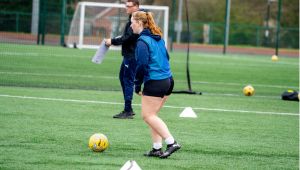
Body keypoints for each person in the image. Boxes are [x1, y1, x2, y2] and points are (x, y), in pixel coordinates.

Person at [130, 11, 181, 159]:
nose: (130, 25)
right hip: (168, 80)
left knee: (148, 115)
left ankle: (172, 143)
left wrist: (137, 84)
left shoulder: (142, 41)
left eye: (132, 21)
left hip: (156, 82)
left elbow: (142, 65)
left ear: (139, 23)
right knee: (153, 115)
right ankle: (156, 148)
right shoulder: (158, 38)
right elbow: (167, 57)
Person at [105, 0, 140, 119]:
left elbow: (129, 38)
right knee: (122, 77)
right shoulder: (132, 17)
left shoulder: (137, 19)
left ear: (136, 7)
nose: (127, 8)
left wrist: (112, 41)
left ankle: (128, 109)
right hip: (128, 54)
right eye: (126, 6)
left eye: (129, 6)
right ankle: (128, 108)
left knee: (128, 80)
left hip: (132, 55)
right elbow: (126, 36)